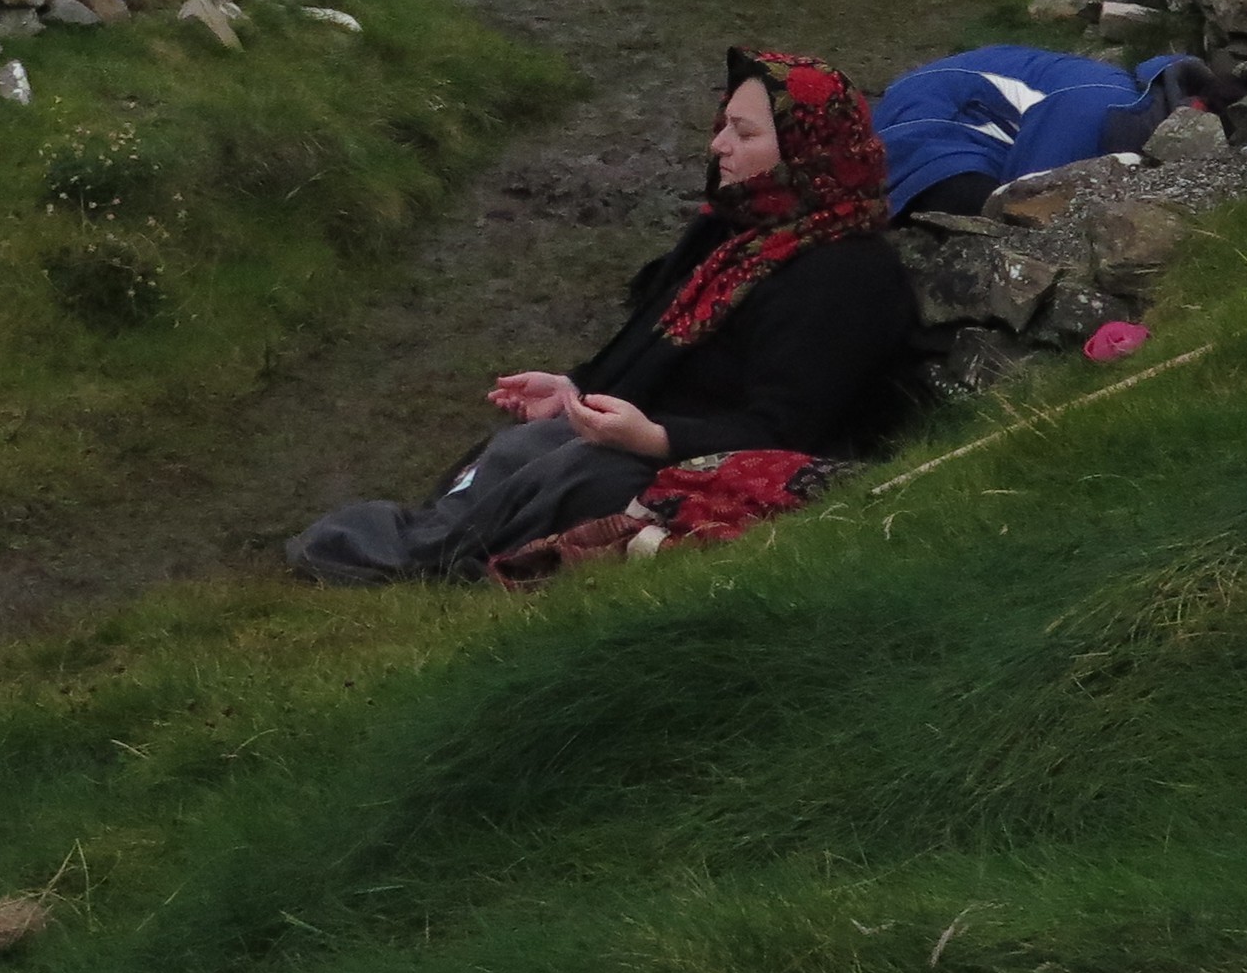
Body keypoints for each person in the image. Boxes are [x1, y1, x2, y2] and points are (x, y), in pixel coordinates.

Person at [286, 48, 919, 585]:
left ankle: (423, 560)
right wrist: (575, 390)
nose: (718, 145)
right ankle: (429, 541)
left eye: (745, 133)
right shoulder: (737, 231)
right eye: (723, 124)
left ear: (808, 151)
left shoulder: (846, 277)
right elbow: (650, 343)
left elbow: (789, 427)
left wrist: (654, 440)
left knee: (582, 475)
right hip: (661, 436)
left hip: (731, 464)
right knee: (526, 445)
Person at [873, 45, 1247, 219]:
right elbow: (1025, 207)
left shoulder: (1126, 101)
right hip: (928, 117)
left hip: (968, 105)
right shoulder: (1098, 112)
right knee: (989, 213)